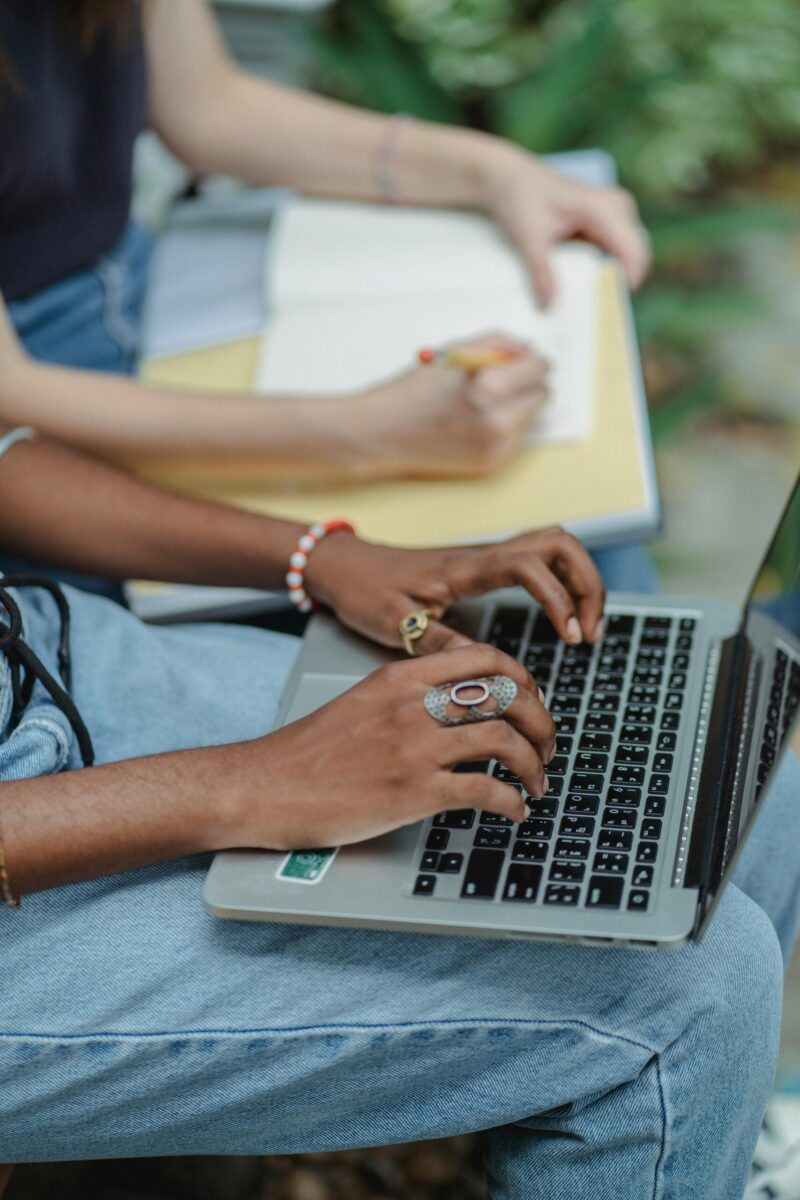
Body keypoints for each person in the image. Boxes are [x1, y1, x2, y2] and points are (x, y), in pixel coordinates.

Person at [0, 417, 798, 1200]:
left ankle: (703, 1138)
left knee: (752, 801)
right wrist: (252, 784)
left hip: (44, 655)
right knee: (690, 987)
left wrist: (326, 559)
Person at [0, 0, 650, 485]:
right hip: (42, 408)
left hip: (140, 292)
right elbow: (12, 395)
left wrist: (492, 174)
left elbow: (209, 107)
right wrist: (368, 430)